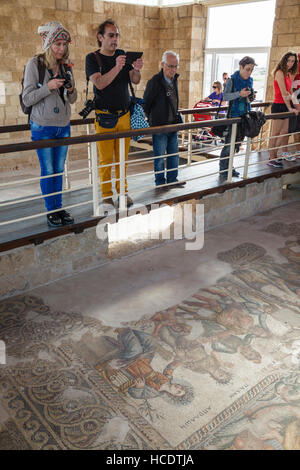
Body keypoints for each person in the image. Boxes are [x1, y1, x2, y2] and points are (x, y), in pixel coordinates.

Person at [22, 21, 77, 227]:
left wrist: (71, 89)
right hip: (42, 126)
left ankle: (59, 208)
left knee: (59, 169)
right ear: (48, 44)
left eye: (64, 44)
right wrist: (49, 86)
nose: (61, 48)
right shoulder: (34, 64)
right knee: (48, 169)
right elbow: (27, 98)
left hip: (63, 125)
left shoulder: (66, 65)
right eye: (57, 44)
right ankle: (51, 211)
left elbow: (72, 99)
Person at [85, 19, 143, 208]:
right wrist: (117, 67)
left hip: (124, 115)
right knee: (106, 159)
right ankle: (107, 195)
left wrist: (136, 69)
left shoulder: (122, 55)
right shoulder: (92, 58)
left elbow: (134, 81)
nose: (115, 39)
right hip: (104, 117)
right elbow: (99, 83)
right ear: (101, 37)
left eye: (117, 35)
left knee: (122, 159)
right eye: (111, 35)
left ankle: (123, 193)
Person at [143, 51, 186, 190]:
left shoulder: (174, 80)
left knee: (174, 155)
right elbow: (146, 103)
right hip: (159, 127)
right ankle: (160, 182)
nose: (173, 70)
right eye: (170, 66)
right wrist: (154, 119)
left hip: (173, 125)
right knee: (160, 157)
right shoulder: (154, 82)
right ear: (162, 64)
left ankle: (172, 180)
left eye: (175, 66)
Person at [218, 56, 257, 179]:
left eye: (251, 70)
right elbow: (225, 97)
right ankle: (223, 169)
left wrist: (250, 97)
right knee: (229, 144)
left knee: (236, 145)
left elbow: (248, 101)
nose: (249, 72)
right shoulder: (232, 80)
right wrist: (239, 94)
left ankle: (230, 167)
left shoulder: (250, 81)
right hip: (233, 117)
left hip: (244, 116)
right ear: (240, 67)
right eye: (247, 69)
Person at [268, 51, 298, 167]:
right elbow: (283, 92)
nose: (290, 63)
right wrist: (290, 107)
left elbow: (290, 92)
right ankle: (271, 158)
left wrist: (294, 104)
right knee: (275, 133)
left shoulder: (288, 74)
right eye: (288, 60)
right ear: (284, 60)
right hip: (279, 106)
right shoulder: (279, 72)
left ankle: (274, 155)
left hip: (286, 105)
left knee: (285, 132)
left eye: (293, 61)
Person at [288, 52, 300, 158]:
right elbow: (290, 87)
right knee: (295, 128)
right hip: (295, 101)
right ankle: (298, 151)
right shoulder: (295, 62)